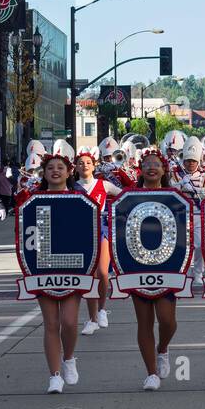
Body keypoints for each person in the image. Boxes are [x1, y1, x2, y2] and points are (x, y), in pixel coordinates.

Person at [27, 154, 91, 394]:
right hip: (43, 266)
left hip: (73, 267)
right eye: (50, 168)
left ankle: (70, 357)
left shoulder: (81, 200)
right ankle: (54, 376)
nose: (55, 171)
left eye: (60, 167)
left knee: (69, 322)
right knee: (51, 323)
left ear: (68, 172)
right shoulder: (31, 200)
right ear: (43, 173)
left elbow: (88, 236)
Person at [132, 151, 180, 391]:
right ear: (140, 170)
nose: (151, 168)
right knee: (144, 322)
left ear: (164, 170)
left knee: (167, 320)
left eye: (156, 165)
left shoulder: (175, 197)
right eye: (147, 164)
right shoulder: (128, 197)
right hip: (137, 264)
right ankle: (151, 373)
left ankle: (162, 348)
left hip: (167, 264)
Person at [75, 149, 123, 336]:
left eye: (88, 162)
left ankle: (102, 310)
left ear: (94, 165)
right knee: (90, 275)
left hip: (101, 229)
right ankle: (92, 318)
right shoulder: (73, 186)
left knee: (103, 272)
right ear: (76, 167)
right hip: (80, 232)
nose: (84, 165)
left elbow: (126, 197)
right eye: (81, 162)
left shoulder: (104, 185)